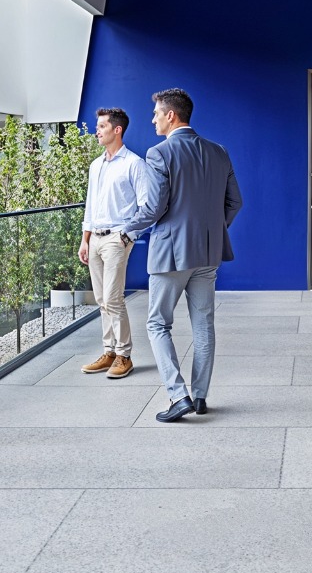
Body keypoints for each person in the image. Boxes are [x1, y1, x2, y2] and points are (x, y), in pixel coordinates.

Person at [123, 88, 243, 422]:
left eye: (156, 114)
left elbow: (154, 207)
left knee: (157, 323)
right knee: (203, 325)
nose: (153, 120)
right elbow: (235, 202)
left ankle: (178, 397)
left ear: (171, 115)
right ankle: (200, 397)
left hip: (170, 254)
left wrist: (127, 230)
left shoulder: (159, 153)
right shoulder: (219, 152)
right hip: (208, 253)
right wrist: (212, 229)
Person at [77, 107, 154, 380]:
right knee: (101, 299)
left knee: (113, 298)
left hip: (116, 239)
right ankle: (109, 352)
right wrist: (85, 240)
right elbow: (90, 206)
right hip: (95, 239)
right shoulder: (95, 166)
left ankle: (124, 355)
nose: (97, 131)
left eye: (102, 126)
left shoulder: (134, 164)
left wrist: (127, 236)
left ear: (117, 129)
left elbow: (147, 206)